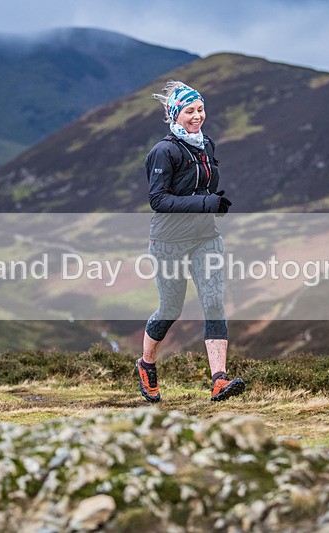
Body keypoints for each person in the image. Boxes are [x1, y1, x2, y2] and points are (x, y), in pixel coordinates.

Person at [136, 80, 245, 403]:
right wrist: (204, 204)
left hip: (205, 237)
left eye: (200, 109)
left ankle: (219, 380)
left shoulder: (205, 145)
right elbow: (158, 200)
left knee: (213, 302)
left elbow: (201, 189)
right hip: (168, 242)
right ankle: (146, 365)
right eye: (190, 111)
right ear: (175, 115)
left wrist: (214, 204)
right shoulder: (164, 151)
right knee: (171, 308)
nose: (197, 116)